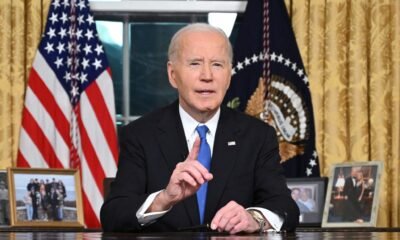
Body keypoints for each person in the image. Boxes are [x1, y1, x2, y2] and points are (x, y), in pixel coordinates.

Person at [100, 23, 299, 233]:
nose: (207, 75)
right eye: (195, 63)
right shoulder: (140, 135)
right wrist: (164, 199)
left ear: (229, 75)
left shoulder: (258, 136)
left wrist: (254, 218)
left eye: (217, 64)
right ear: (172, 74)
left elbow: (286, 208)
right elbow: (113, 214)